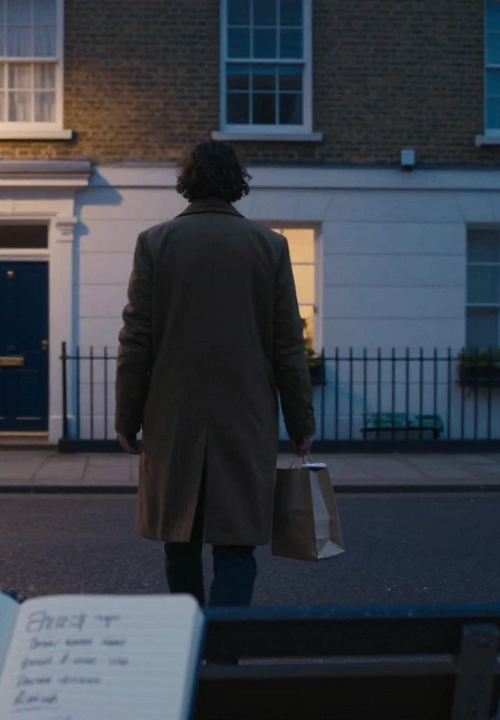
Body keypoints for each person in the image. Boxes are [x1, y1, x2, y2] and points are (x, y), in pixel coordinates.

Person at [115, 140, 316, 609]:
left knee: (178, 543)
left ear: (187, 182)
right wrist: (301, 424)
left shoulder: (155, 243)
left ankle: (186, 647)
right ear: (235, 184)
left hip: (173, 418)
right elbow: (288, 345)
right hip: (245, 419)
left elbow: (136, 341)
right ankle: (223, 658)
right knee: (236, 546)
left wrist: (127, 417)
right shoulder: (270, 247)